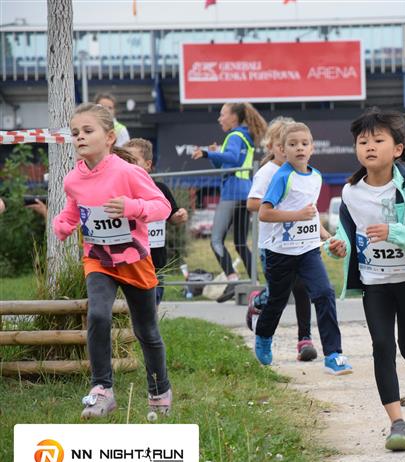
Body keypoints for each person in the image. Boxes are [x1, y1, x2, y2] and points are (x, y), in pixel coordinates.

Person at [327, 108, 405, 451]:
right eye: (363, 142)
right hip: (374, 282)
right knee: (381, 346)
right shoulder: (351, 192)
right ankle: (397, 423)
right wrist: (339, 245)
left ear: (398, 149)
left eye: (378, 140)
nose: (370, 147)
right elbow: (348, 232)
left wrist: (394, 232)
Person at [52, 103, 172, 419]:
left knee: (147, 331)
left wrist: (132, 207)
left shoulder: (128, 172)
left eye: (87, 130)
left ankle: (159, 391)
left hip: (134, 259)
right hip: (98, 259)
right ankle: (102, 390)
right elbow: (73, 210)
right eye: (75, 132)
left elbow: (162, 207)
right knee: (98, 315)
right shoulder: (73, 180)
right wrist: (63, 225)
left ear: (109, 137)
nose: (79, 137)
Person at [256, 122, 351, 375]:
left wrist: (328, 237)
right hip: (280, 253)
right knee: (277, 301)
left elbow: (311, 213)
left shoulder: (316, 177)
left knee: (324, 293)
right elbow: (264, 213)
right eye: (293, 144)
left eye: (304, 144)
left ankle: (333, 354)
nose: (299, 148)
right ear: (282, 150)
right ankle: (263, 335)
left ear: (312, 148)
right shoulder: (282, 177)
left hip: (308, 250)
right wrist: (297, 215)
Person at [246, 117, 317, 362]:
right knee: (279, 294)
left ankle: (305, 340)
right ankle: (259, 300)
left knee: (302, 288)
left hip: (302, 242)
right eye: (284, 144)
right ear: (275, 147)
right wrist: (279, 205)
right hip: (273, 244)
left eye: (300, 144)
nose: (293, 149)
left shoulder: (302, 172)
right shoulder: (268, 172)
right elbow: (252, 203)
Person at [192, 102, 267, 303]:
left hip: (232, 192)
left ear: (234, 117)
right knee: (241, 242)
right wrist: (215, 155)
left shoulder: (234, 136)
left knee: (216, 240)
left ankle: (233, 280)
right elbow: (225, 164)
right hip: (245, 192)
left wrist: (207, 153)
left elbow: (232, 159)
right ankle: (255, 281)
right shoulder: (245, 135)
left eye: (222, 114)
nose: (219, 119)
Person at [123, 138, 189, 306]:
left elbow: (172, 216)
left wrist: (179, 215)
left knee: (153, 302)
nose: (128, 165)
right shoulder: (120, 189)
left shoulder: (160, 189)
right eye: (125, 160)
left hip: (155, 260)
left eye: (133, 160)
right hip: (129, 258)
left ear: (148, 164)